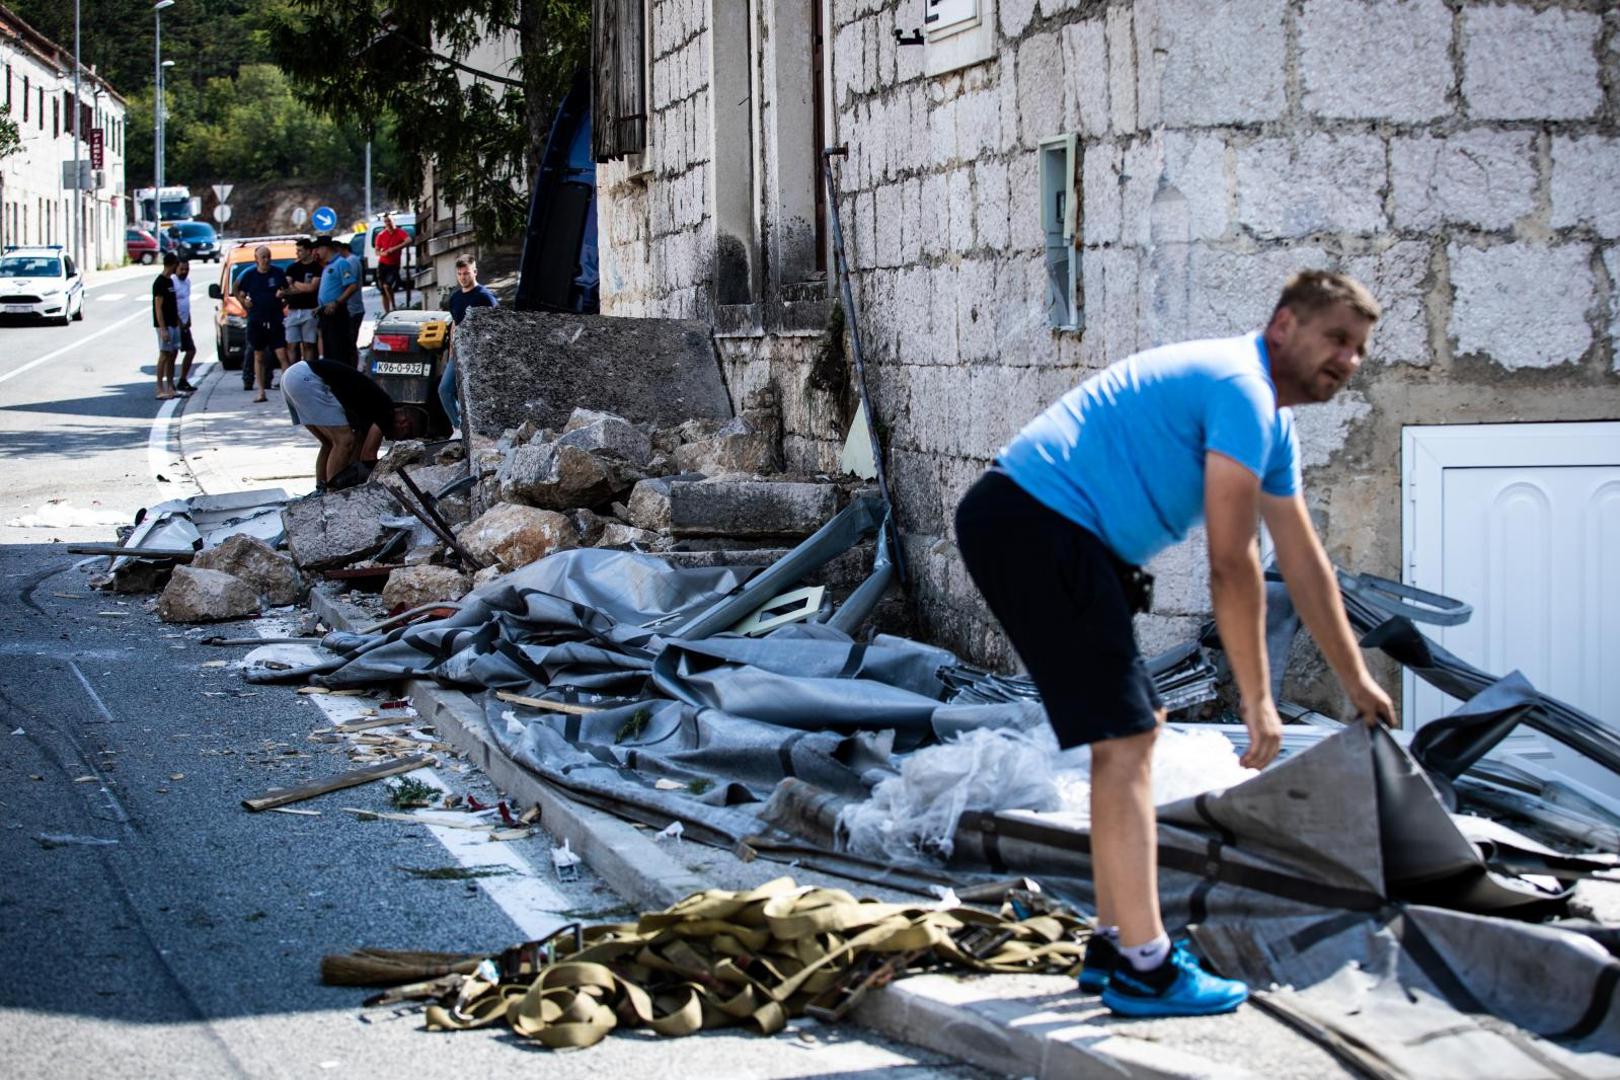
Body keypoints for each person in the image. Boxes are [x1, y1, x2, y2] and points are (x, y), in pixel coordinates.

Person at [953, 271, 1396, 1019]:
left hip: (1054, 533)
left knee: (1134, 734)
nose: (1349, 360)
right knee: (1125, 742)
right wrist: (1259, 702)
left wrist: (1358, 680)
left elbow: (1305, 561)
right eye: (1336, 339)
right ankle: (1145, 966)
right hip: (1038, 522)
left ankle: (1115, 942)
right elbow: (1232, 561)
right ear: (1284, 325)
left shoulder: (1270, 423)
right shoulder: (1241, 388)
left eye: (1359, 348)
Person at [280, 357, 424, 489]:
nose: (396, 440)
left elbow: (357, 456)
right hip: (306, 378)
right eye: (404, 437)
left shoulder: (371, 413)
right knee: (344, 440)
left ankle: (321, 488)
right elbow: (368, 456)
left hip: (293, 376)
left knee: (330, 443)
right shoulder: (386, 411)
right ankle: (333, 494)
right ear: (404, 423)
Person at [438, 254, 497, 431]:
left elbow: (497, 326)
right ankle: (458, 428)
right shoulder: (455, 298)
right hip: (457, 353)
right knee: (444, 390)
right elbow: (454, 325)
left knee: (474, 396)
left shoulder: (485, 297)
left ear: (475, 272)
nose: (463, 277)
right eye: (460, 274)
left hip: (478, 356)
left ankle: (479, 431)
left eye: (466, 273)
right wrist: (450, 353)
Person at [233, 245, 290, 403]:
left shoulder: (277, 273)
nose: (266, 260)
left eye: (268, 256)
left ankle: (288, 390)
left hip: (275, 319)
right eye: (263, 257)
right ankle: (261, 391)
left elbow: (288, 290)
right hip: (256, 319)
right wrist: (243, 301)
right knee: (258, 355)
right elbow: (237, 289)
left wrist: (283, 296)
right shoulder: (249, 275)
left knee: (281, 354)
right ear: (256, 259)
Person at [315, 235, 360, 368]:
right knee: (329, 350)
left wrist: (337, 302)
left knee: (338, 349)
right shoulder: (328, 266)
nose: (316, 252)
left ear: (325, 248)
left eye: (318, 248)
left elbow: (352, 286)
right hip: (326, 312)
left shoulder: (341, 263)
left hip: (336, 312)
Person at [282, 237, 322, 364]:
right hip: (293, 310)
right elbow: (286, 288)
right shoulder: (292, 268)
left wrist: (295, 283)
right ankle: (293, 371)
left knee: (308, 344)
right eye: (297, 250)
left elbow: (312, 287)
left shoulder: (316, 267)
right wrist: (301, 287)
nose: (297, 253)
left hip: (309, 310)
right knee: (291, 344)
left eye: (300, 250)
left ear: (309, 251)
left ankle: (308, 371)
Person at [151, 251, 180, 400]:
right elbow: (158, 307)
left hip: (173, 324)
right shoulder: (160, 282)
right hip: (165, 325)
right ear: (172, 264)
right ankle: (159, 388)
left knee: (172, 355)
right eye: (176, 264)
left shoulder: (170, 281)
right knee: (164, 355)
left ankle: (170, 387)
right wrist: (163, 329)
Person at [373, 212, 410, 314]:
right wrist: (383, 253)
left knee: (387, 285)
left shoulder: (399, 232)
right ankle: (387, 312)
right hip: (383, 264)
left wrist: (394, 248)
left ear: (393, 221)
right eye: (386, 221)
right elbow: (376, 251)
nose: (388, 223)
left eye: (389, 220)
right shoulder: (380, 235)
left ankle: (393, 307)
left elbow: (408, 240)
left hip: (394, 265)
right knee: (383, 291)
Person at [173, 258, 198, 394]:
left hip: (185, 322)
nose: (184, 272)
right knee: (173, 353)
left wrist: (188, 319)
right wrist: (178, 321)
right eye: (182, 269)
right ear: (176, 268)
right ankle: (171, 382)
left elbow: (186, 302)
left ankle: (183, 379)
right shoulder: (173, 282)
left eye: (186, 269)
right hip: (176, 323)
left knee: (191, 350)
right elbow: (172, 304)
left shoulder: (187, 282)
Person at [345, 239, 367, 351]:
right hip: (355, 307)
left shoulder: (350, 261)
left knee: (351, 341)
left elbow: (350, 283)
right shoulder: (353, 259)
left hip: (353, 307)